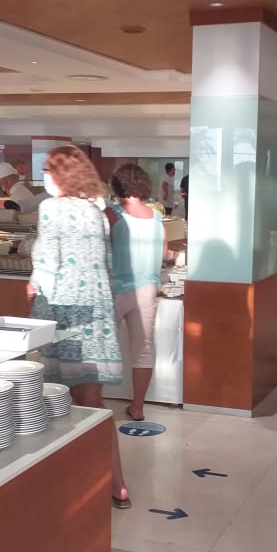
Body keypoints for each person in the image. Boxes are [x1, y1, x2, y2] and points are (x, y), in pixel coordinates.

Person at [26, 145, 129, 508]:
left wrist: (33, 288)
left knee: (57, 400)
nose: (44, 177)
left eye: (47, 171)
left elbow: (46, 261)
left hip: (64, 314)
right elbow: (108, 265)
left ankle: (72, 483)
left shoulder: (51, 208)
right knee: (93, 402)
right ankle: (116, 483)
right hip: (97, 315)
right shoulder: (97, 211)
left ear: (58, 175)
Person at [106, 163, 166, 423]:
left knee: (101, 347)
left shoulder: (112, 214)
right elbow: (164, 253)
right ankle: (138, 407)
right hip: (147, 290)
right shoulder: (156, 217)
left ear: (117, 185)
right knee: (143, 349)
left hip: (115, 289)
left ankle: (93, 405)